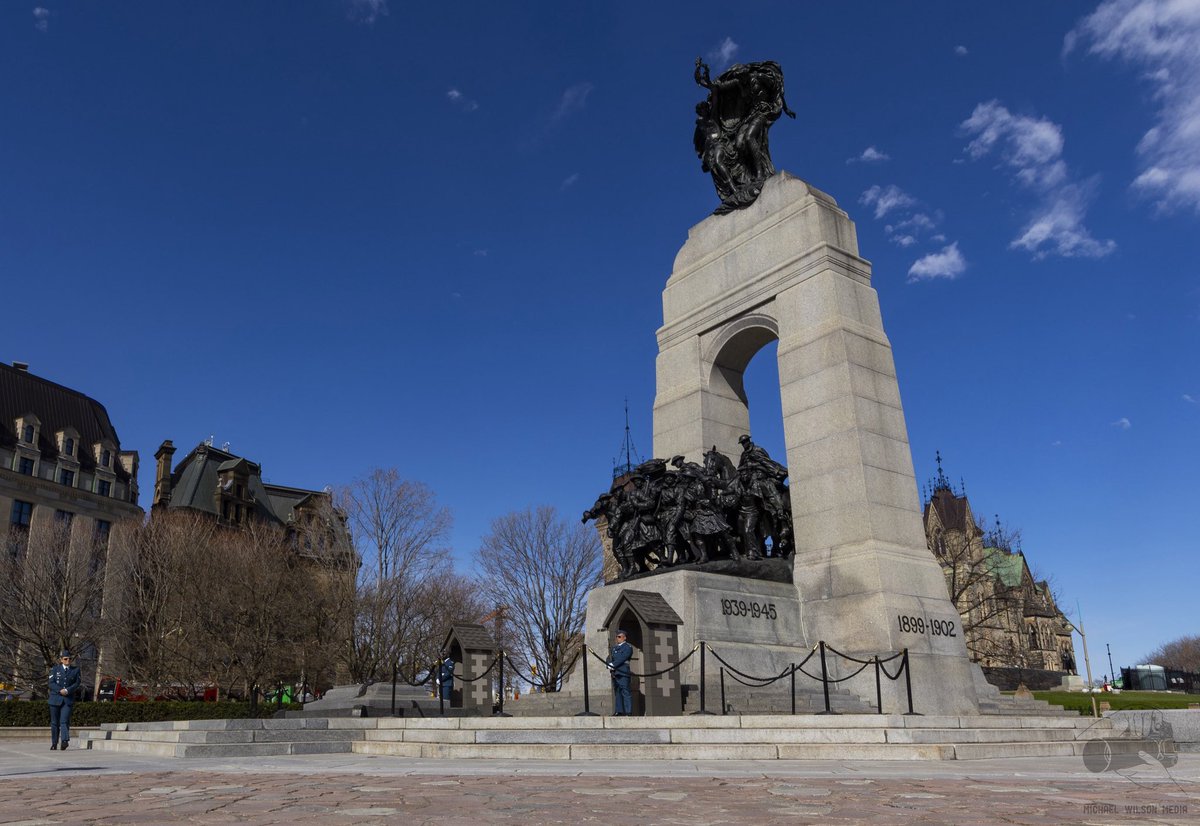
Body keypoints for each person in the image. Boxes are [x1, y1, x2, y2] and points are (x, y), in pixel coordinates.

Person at [48, 650, 80, 750]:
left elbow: (77, 683)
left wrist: (67, 690)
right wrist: (60, 690)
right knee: (54, 723)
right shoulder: (55, 669)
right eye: (65, 659)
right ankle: (54, 743)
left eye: (69, 659)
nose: (68, 660)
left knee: (64, 721)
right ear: (61, 660)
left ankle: (64, 741)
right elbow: (51, 683)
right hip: (55, 698)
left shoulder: (75, 670)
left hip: (67, 699)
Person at [606, 630, 633, 716]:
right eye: (617, 637)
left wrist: (613, 664)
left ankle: (628, 711)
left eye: (619, 637)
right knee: (617, 692)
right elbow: (609, 657)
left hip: (623, 672)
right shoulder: (614, 648)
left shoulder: (627, 647)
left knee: (625, 692)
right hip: (615, 673)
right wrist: (608, 664)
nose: (617, 638)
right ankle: (619, 711)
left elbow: (623, 657)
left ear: (624, 638)